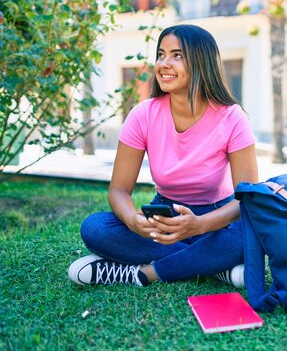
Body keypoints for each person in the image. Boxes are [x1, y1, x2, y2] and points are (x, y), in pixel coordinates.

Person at [68, 24, 258, 288]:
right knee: (95, 228)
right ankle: (213, 267)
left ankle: (143, 273)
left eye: (177, 55)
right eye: (161, 54)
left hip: (216, 218)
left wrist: (200, 225)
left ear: (202, 63)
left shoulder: (232, 117)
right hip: (164, 216)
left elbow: (246, 199)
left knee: (248, 236)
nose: (164, 64)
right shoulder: (143, 115)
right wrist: (133, 221)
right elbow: (119, 191)